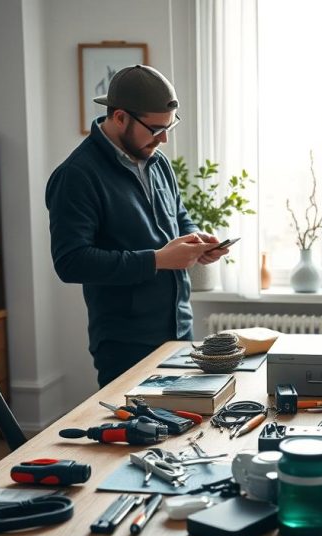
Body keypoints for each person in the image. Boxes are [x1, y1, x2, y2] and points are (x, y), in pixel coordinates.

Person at [46, 65, 226, 388]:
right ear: (119, 118)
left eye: (170, 127)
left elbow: (179, 217)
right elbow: (70, 262)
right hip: (125, 347)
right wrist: (156, 260)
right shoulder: (77, 175)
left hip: (180, 334)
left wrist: (199, 242)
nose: (165, 138)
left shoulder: (159, 162)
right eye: (156, 128)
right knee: (140, 438)